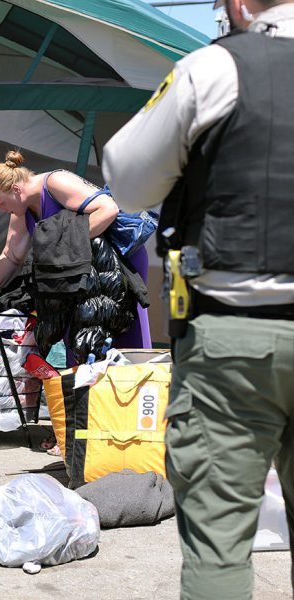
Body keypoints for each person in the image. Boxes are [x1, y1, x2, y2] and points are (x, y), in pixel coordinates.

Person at [102, 1, 294, 597]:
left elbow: (128, 180)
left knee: (219, 546)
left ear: (237, 5)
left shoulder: (214, 69)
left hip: (235, 339)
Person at [0, 150, 153, 353]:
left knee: (123, 329)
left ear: (16, 189)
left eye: (1, 203)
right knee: (79, 336)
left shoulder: (56, 182)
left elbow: (108, 209)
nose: (2, 209)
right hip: (78, 278)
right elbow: (11, 253)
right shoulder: (21, 208)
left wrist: (62, 245)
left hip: (118, 264)